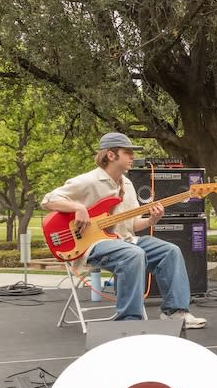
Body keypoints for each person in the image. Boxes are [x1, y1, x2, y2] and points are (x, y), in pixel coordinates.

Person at [41, 132, 206, 329]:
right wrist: (79, 208)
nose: (132, 157)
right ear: (111, 155)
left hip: (124, 240)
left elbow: (132, 224)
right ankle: (129, 322)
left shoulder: (127, 184)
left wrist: (152, 219)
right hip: (91, 246)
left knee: (170, 251)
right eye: (127, 152)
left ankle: (176, 313)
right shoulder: (88, 181)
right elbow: (48, 200)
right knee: (133, 254)